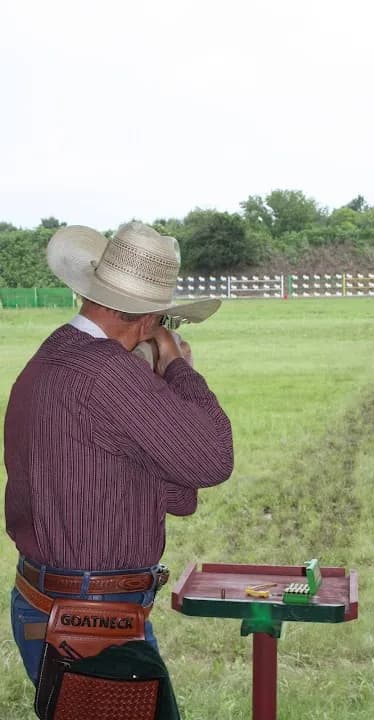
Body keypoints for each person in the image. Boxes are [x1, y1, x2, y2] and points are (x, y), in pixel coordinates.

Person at [4, 221, 234, 687]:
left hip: (60, 605)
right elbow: (213, 459)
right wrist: (175, 367)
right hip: (92, 620)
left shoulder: (53, 355)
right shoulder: (108, 372)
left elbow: (177, 494)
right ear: (149, 321)